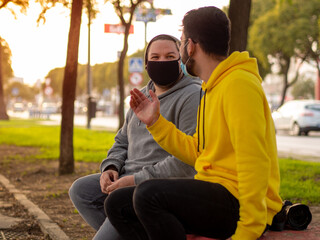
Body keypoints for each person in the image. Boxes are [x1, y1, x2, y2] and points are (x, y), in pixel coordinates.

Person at [105, 6, 283, 240]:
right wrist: (156, 123)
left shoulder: (238, 84)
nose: (180, 51)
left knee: (148, 195)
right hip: (214, 190)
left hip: (237, 201)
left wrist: (249, 230)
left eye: (179, 44)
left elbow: (255, 161)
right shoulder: (212, 87)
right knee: (118, 202)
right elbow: (199, 152)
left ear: (190, 46)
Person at [69, 34, 201, 240]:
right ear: (146, 65)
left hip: (158, 187)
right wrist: (111, 168)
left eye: (170, 56)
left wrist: (135, 180)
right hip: (126, 179)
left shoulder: (192, 95)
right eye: (155, 58)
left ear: (181, 60)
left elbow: (187, 161)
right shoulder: (141, 96)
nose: (162, 62)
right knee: (82, 190)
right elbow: (122, 141)